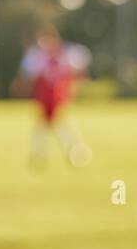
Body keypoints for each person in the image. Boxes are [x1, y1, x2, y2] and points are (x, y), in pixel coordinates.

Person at [12, 26, 91, 166]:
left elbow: (78, 69)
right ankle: (68, 151)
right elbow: (29, 76)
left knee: (53, 124)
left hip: (58, 97)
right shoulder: (37, 57)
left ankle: (68, 150)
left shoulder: (65, 54)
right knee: (48, 125)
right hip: (44, 98)